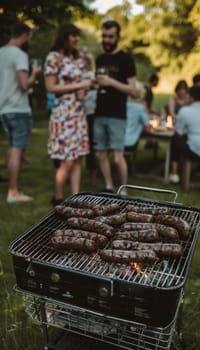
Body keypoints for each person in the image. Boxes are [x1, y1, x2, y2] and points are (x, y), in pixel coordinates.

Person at [44, 23, 93, 205]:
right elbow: (50, 87)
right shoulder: (53, 58)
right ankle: (57, 196)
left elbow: (84, 79)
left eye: (77, 35)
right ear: (65, 37)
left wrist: (84, 89)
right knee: (68, 159)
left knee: (78, 156)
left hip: (78, 113)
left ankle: (76, 197)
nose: (76, 39)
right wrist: (79, 86)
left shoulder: (75, 59)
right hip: (63, 113)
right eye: (73, 35)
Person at [0, 21, 42, 203]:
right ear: (24, 35)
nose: (29, 40)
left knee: (12, 148)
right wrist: (35, 74)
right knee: (17, 151)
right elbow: (24, 85)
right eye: (30, 36)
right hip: (18, 108)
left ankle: (13, 188)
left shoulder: (1, 52)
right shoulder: (19, 55)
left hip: (4, 109)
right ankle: (14, 192)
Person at [94, 20, 136, 195]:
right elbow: (99, 84)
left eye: (110, 37)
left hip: (118, 115)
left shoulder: (126, 59)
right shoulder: (100, 59)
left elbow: (133, 90)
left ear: (118, 37)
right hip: (99, 113)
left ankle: (123, 189)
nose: (106, 40)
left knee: (118, 157)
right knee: (100, 154)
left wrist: (110, 81)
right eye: (104, 36)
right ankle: (109, 186)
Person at [169, 86, 200, 184]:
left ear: (191, 97)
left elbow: (178, 133)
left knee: (175, 140)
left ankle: (174, 173)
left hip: (195, 148)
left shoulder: (185, 111)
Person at [79, 48, 98, 185]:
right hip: (77, 114)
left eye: (86, 59)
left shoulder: (92, 75)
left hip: (91, 114)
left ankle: (93, 176)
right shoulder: (74, 75)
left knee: (92, 144)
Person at [124, 81, 150, 175]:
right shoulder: (139, 108)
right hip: (129, 143)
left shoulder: (123, 104)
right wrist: (146, 110)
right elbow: (147, 128)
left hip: (117, 141)